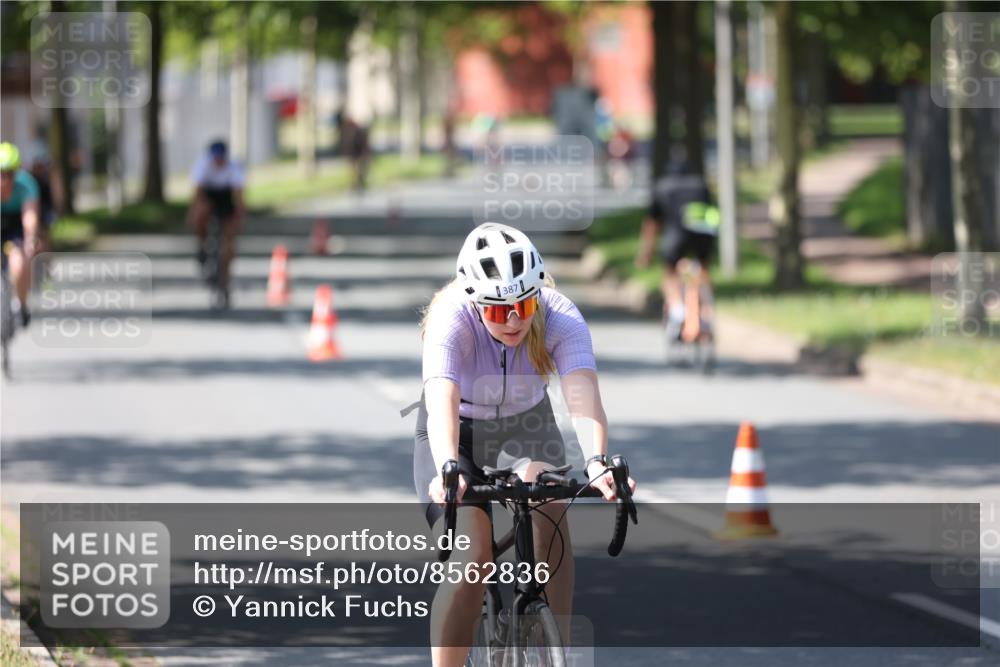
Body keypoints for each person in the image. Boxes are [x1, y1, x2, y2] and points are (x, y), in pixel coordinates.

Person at [413, 222, 636, 667]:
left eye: (524, 305)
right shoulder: (451, 317)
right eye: (499, 312)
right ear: (476, 302)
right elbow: (441, 402)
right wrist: (448, 468)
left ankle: (556, 652)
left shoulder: (559, 315)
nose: (514, 319)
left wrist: (596, 462)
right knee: (472, 554)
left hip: (526, 427)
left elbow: (583, 396)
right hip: (457, 432)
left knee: (549, 503)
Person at [636, 163, 720, 341]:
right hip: (702, 233)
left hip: (675, 236)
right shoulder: (701, 185)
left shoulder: (662, 187)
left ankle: (677, 309)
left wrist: (646, 254)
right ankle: (706, 312)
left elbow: (652, 223)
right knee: (703, 270)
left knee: (670, 274)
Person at [186, 140, 245, 301]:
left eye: (221, 158)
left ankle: (225, 280)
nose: (218, 161)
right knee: (200, 215)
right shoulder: (202, 166)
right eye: (215, 158)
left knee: (229, 240)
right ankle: (202, 244)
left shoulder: (234, 168)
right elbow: (197, 195)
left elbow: (239, 198)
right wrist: (194, 214)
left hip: (226, 198)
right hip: (209, 195)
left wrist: (239, 217)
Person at [0, 142, 41, 327]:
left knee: (18, 263)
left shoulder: (26, 185)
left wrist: (30, 239)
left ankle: (22, 305)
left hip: (15, 225)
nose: (3, 180)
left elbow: (29, 216)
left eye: (8, 174)